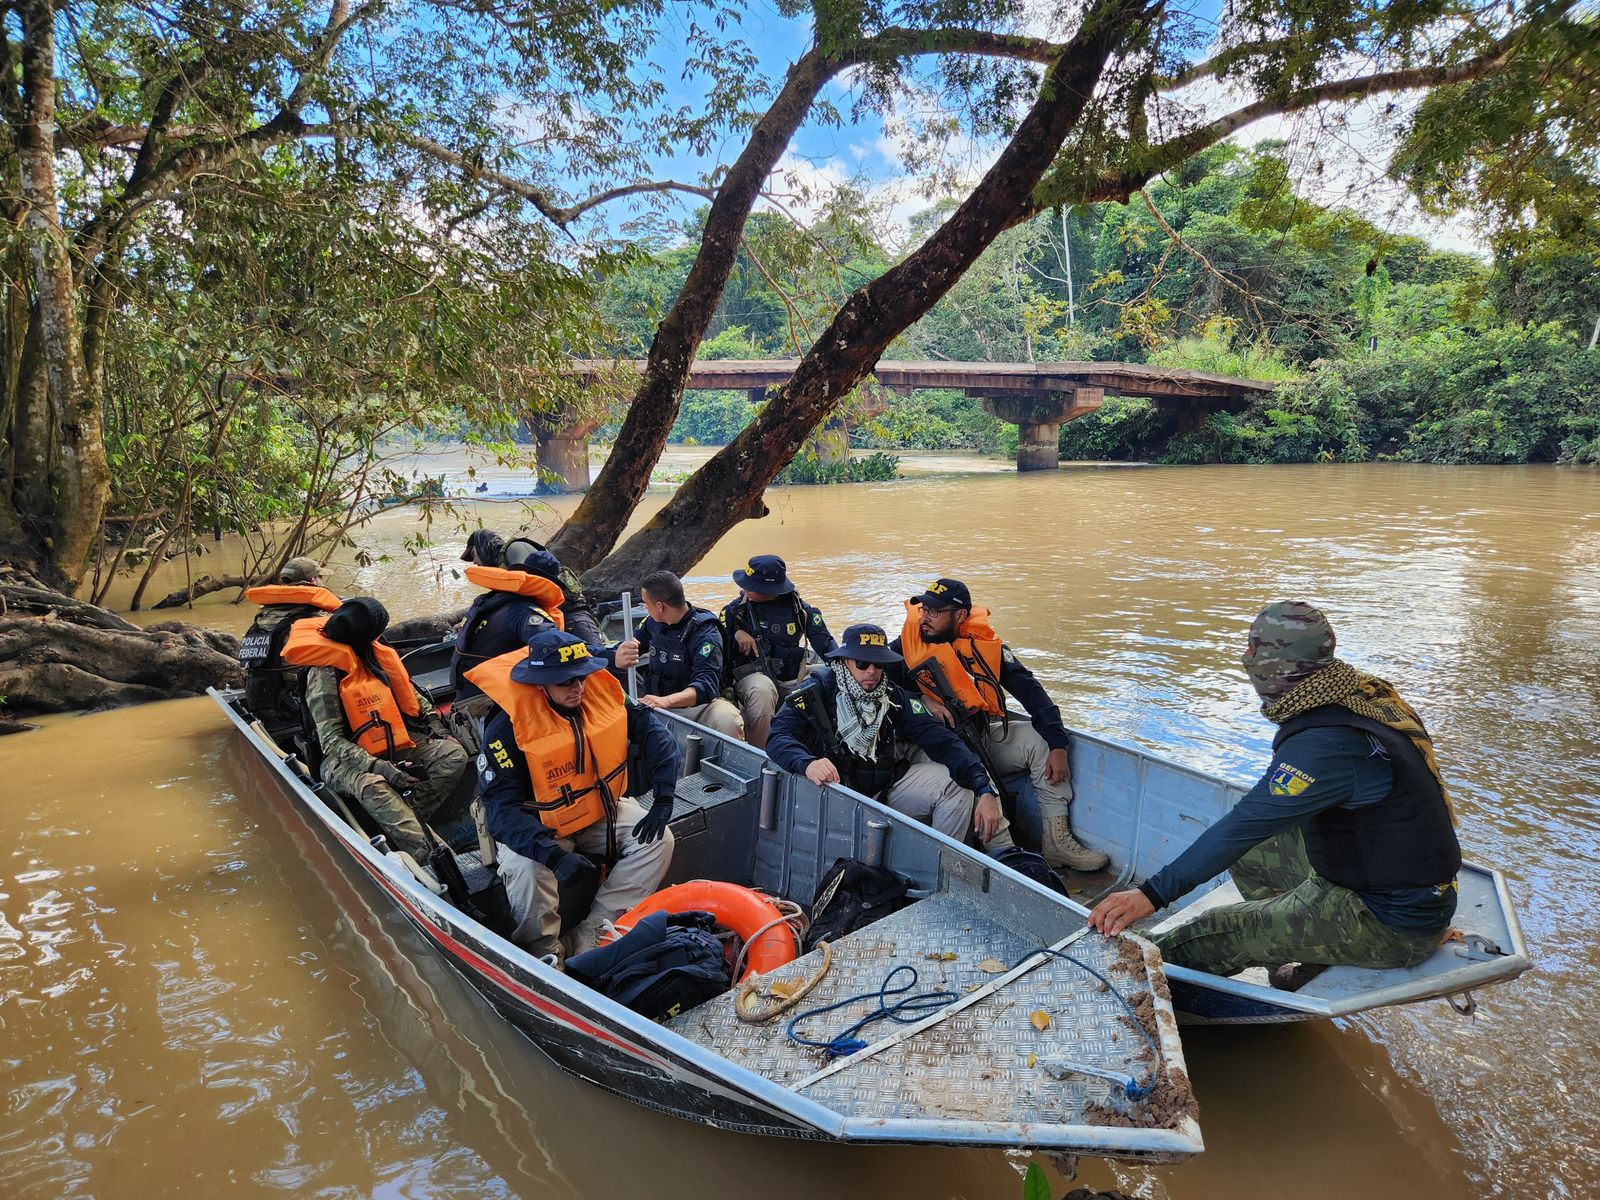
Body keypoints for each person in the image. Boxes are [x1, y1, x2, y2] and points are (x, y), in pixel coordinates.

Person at [1088, 601, 1463, 987]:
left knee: (1221, 928)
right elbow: (1251, 829)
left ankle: (1116, 976)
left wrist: (1150, 894)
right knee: (1253, 853)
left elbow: (1245, 823)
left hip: (1391, 923)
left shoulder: (1326, 745)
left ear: (1278, 665)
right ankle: (1295, 949)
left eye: (1254, 648)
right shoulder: (1354, 694)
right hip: (1397, 885)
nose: (1245, 658)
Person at [468, 628, 679, 963]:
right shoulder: (506, 730)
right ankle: (544, 953)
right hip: (537, 827)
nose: (577, 687)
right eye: (565, 682)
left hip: (598, 812)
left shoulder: (602, 696)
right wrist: (553, 856)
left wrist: (665, 797)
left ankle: (594, 930)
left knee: (658, 840)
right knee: (527, 872)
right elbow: (502, 813)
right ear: (540, 684)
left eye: (580, 677)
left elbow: (656, 735)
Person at [892, 577, 1107, 872]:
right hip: (930, 749)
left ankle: (1057, 843)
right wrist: (920, 698)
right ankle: (1007, 857)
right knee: (968, 768)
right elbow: (876, 686)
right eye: (924, 609)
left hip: (979, 735)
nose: (925, 617)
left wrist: (1058, 742)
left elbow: (1029, 689)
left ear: (960, 616)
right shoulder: (905, 647)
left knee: (1039, 739)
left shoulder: (982, 647)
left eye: (935, 611)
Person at [768, 623, 1012, 849]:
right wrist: (807, 763)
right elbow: (777, 738)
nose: (872, 671)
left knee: (958, 787)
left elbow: (944, 742)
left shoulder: (894, 697)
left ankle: (939, 867)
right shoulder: (816, 691)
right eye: (862, 664)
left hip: (880, 793)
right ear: (844, 661)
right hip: (828, 797)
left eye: (879, 664)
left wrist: (984, 789)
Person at [283, 596, 470, 859]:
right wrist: (377, 766)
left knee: (452, 755)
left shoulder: (375, 653)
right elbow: (331, 741)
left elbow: (414, 697)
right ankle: (431, 856)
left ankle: (402, 823)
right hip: (344, 760)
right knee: (374, 786)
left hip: (393, 743)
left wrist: (434, 725)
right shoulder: (324, 674)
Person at [448, 538, 568, 745]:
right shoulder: (524, 612)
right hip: (483, 707)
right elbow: (556, 649)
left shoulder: (491, 600)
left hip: (467, 695)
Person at [721, 554, 838, 748]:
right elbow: (720, 651)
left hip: (793, 676)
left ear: (772, 590)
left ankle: (824, 746)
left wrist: (846, 667)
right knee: (763, 690)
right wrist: (735, 634)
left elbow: (825, 643)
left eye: (753, 586)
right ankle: (762, 751)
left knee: (827, 676)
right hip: (753, 676)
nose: (745, 589)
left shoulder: (800, 609)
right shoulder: (734, 611)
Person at [613, 570, 744, 741]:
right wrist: (622, 652)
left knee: (727, 719)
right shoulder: (654, 623)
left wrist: (666, 701)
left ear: (660, 606)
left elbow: (706, 685)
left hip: (695, 707)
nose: (645, 608)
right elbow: (636, 642)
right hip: (656, 701)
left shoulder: (706, 634)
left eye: (646, 603)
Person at [237, 556, 340, 735]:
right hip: (298, 706)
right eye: (320, 578)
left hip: (268, 701)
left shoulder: (264, 617)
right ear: (313, 581)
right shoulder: (315, 620)